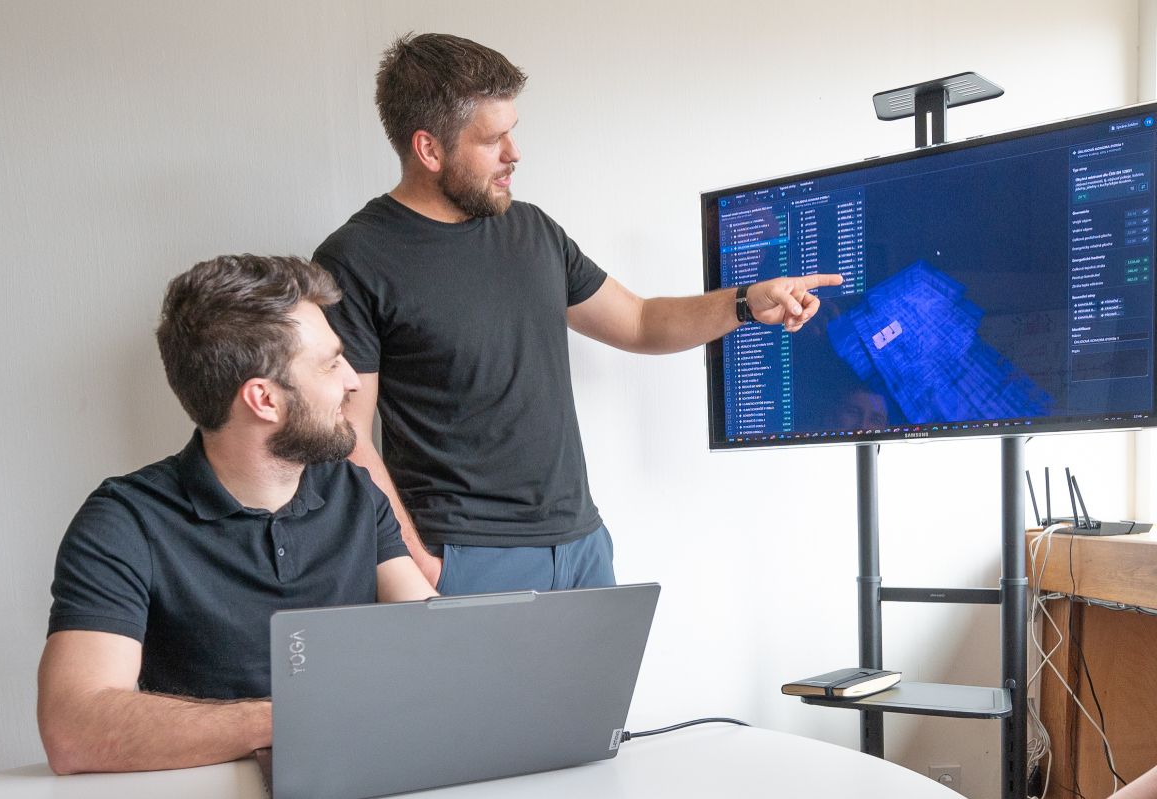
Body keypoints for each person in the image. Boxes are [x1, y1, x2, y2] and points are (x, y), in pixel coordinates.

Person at [313, 33, 841, 596]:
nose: (514, 153)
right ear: (429, 150)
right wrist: (417, 563)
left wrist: (744, 302)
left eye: (512, 131)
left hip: (582, 547)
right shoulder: (355, 259)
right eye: (492, 139)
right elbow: (345, 430)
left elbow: (639, 321)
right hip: (463, 558)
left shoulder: (533, 229)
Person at [36, 255, 436, 775]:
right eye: (330, 363)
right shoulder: (124, 521)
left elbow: (436, 643)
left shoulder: (355, 492)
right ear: (263, 399)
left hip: (357, 771)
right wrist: (293, 718)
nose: (352, 381)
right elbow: (73, 728)